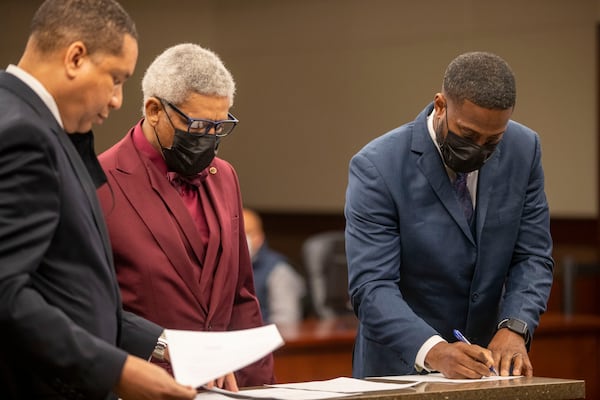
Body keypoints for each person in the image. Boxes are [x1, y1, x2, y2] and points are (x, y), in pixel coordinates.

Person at [0, 0, 199, 399]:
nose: (116, 100)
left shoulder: (37, 124)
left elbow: (64, 284)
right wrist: (115, 370)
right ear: (75, 57)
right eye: (116, 78)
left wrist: (161, 343)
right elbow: (5, 290)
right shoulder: (22, 133)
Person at [345, 51, 553, 380]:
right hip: (400, 368)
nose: (479, 149)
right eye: (468, 136)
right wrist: (436, 351)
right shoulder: (378, 166)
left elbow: (533, 256)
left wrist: (515, 326)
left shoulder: (523, 149)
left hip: (486, 366)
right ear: (440, 105)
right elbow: (372, 286)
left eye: (492, 141)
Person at [96, 43, 275, 387]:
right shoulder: (99, 181)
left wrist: (262, 387)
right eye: (198, 126)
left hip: (225, 388)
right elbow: (92, 306)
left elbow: (241, 296)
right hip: (142, 385)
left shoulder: (225, 176)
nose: (209, 140)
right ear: (153, 110)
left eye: (219, 127)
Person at [243, 208, 306, 324]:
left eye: (246, 233)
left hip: (262, 339)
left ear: (259, 238)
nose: (240, 239)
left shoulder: (279, 271)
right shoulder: (219, 269)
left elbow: (286, 322)